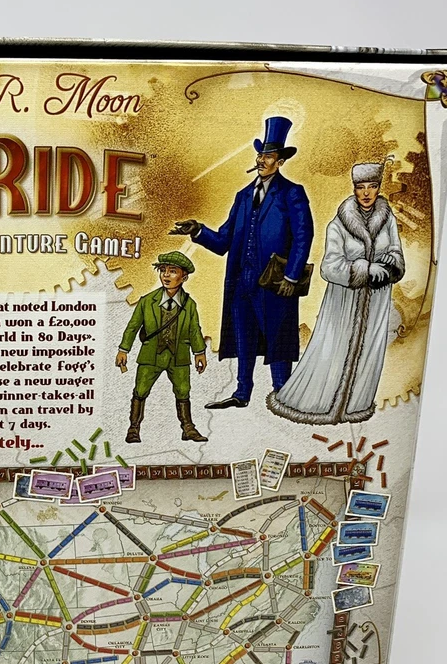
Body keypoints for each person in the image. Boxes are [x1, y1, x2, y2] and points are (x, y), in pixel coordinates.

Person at [172, 116, 314, 409]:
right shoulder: (243, 196)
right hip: (241, 281)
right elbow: (224, 240)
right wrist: (198, 230)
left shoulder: (292, 193)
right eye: (260, 154)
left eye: (268, 156)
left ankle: (282, 393)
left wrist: (291, 276)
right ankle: (242, 393)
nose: (261, 160)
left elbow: (304, 236)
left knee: (278, 335)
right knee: (243, 336)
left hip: (276, 281)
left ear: (280, 162)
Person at [267, 161, 405, 424]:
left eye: (372, 186)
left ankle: (355, 406)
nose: (366, 192)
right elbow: (329, 267)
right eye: (361, 187)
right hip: (343, 302)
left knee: (368, 353)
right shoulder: (339, 224)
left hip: (376, 300)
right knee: (332, 350)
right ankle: (315, 406)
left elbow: (397, 255)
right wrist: (364, 269)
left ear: (379, 188)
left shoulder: (389, 220)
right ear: (354, 189)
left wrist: (389, 266)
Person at [116, 250, 208, 443]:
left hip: (179, 357)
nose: (166, 275)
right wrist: (123, 350)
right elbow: (133, 327)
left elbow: (194, 329)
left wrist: (199, 352)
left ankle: (188, 428)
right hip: (150, 356)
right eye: (163, 270)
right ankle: (133, 428)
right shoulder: (147, 301)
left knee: (183, 391)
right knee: (140, 390)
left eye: (172, 271)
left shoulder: (189, 304)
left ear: (184, 277)